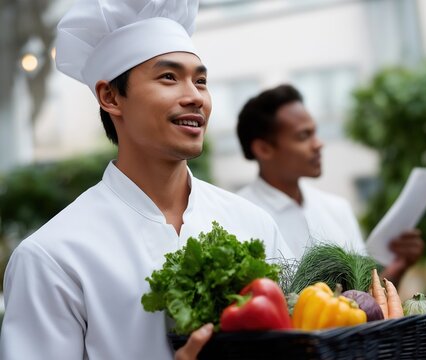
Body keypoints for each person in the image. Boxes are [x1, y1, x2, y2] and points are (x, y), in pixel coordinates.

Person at [0, 1, 292, 359]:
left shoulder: (253, 224)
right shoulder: (53, 257)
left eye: (200, 80)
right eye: (169, 77)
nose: (194, 97)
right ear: (110, 97)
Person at [236, 84, 424, 285]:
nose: (318, 144)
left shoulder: (337, 209)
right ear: (263, 149)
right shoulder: (238, 215)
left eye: (314, 133)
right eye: (303, 136)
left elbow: (365, 298)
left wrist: (399, 266)